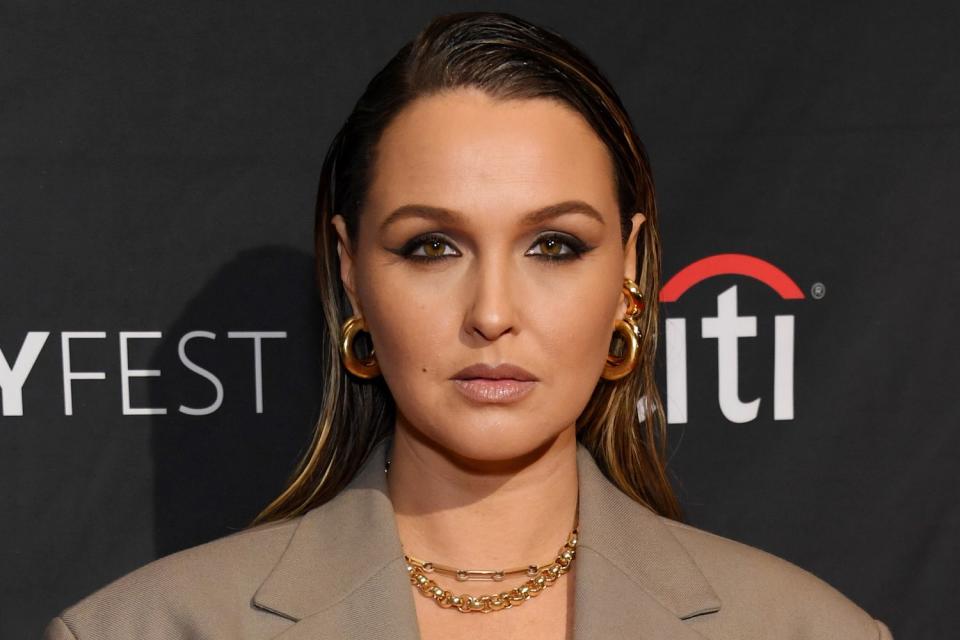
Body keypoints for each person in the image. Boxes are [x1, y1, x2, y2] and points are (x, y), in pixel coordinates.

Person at [43, 11, 892, 640]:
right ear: (352, 273)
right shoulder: (146, 628)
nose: (492, 313)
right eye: (431, 246)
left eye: (554, 245)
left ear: (630, 271)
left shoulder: (806, 630)